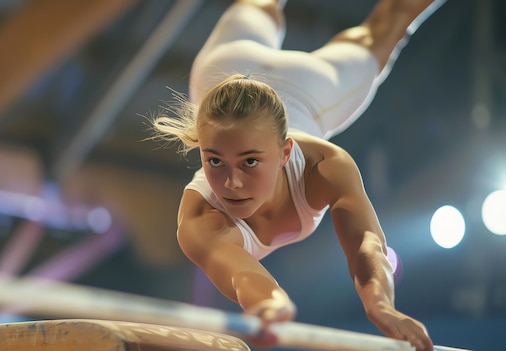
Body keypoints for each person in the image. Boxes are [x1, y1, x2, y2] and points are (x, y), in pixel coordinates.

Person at [150, 0, 444, 350]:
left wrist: (379, 301)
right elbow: (242, 274)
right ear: (201, 147)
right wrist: (269, 303)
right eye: (214, 161)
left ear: (286, 152)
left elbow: (367, 240)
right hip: (225, 77)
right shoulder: (200, 218)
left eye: (250, 162)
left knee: (395, 16)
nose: (232, 183)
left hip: (309, 89)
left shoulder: (323, 165)